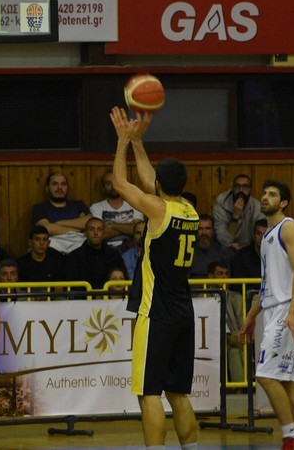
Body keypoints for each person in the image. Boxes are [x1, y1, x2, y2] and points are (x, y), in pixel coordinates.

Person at [110, 106, 199, 449]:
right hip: (184, 312)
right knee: (178, 393)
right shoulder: (188, 210)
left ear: (160, 184)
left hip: (156, 312)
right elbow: (151, 183)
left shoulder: (158, 210)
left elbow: (121, 183)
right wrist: (139, 143)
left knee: (148, 393)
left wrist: (122, 141)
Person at [238, 180, 294, 450]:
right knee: (285, 380)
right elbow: (267, 283)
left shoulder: (289, 228)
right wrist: (251, 315)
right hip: (275, 308)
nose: (265, 197)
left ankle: (289, 437)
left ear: (284, 202)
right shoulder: (268, 235)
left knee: (265, 376)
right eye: (264, 193)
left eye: (272, 194)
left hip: (287, 308)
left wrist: (291, 312)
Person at [31, 172, 92, 254]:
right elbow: (47, 229)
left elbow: (90, 223)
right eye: (55, 184)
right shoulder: (40, 208)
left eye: (63, 184)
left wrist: (57, 224)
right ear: (47, 188)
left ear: (67, 187)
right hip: (54, 247)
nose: (60, 187)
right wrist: (79, 228)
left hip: (79, 245)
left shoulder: (78, 204)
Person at [64, 217, 126, 290]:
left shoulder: (114, 255)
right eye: (91, 229)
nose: (96, 233)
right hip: (84, 297)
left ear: (104, 233)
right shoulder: (74, 257)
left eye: (99, 229)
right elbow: (70, 287)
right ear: (86, 233)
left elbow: (124, 281)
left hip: (111, 296)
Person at [208, 260, 243, 385]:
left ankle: (240, 390)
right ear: (210, 277)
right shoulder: (203, 297)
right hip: (212, 341)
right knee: (224, 350)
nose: (224, 277)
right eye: (220, 274)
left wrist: (234, 338)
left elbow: (242, 324)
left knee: (234, 352)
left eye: (226, 274)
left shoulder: (237, 298)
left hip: (233, 338)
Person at [90, 171, 144, 250]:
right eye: (108, 183)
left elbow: (139, 230)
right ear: (103, 187)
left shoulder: (134, 205)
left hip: (131, 248)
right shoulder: (96, 208)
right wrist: (128, 229)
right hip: (105, 249)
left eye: (116, 183)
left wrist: (112, 226)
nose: (113, 186)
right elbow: (99, 234)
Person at [213, 173, 265, 251]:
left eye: (245, 187)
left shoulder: (257, 207)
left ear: (250, 190)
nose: (241, 190)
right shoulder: (220, 206)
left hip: (250, 250)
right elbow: (224, 240)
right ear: (232, 189)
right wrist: (235, 216)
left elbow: (261, 238)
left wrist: (244, 249)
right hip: (225, 249)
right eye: (237, 186)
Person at [190, 214, 233, 279]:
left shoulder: (222, 252)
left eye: (207, 229)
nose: (204, 232)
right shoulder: (188, 251)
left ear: (213, 231)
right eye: (200, 229)